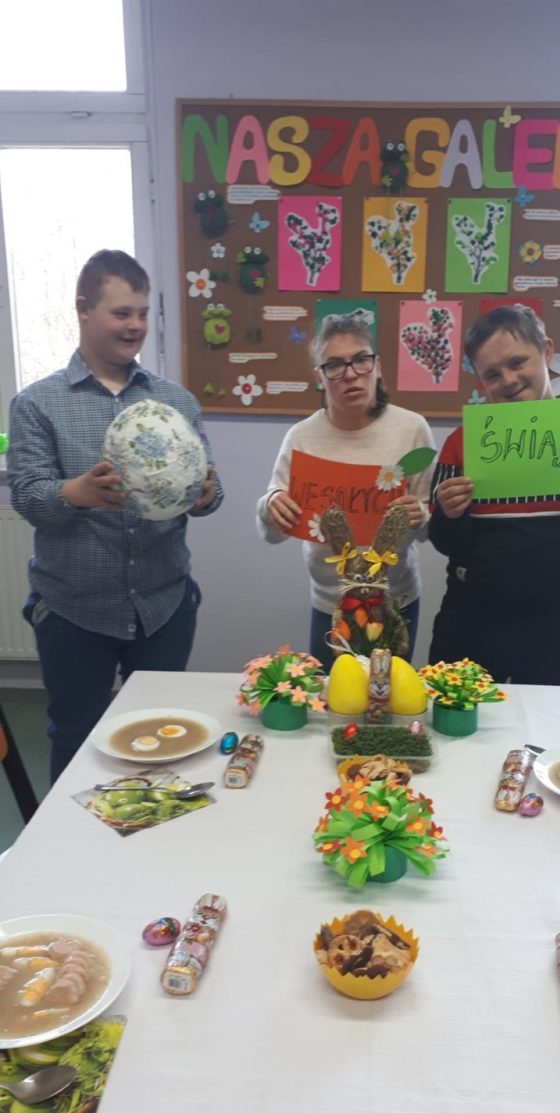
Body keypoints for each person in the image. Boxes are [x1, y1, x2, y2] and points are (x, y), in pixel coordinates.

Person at [8, 249, 223, 781]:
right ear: (83, 308)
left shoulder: (176, 401)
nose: (135, 326)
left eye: (143, 313)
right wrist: (76, 493)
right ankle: (71, 834)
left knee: (163, 735)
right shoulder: (37, 403)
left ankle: (151, 828)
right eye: (121, 313)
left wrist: (205, 494)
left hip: (163, 605)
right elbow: (28, 497)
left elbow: (211, 488)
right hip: (74, 611)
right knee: (77, 736)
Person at [428, 305, 560, 685]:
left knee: (556, 720)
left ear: (546, 351)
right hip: (472, 620)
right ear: (480, 379)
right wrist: (449, 514)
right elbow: (445, 543)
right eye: (492, 374)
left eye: (517, 362)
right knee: (459, 718)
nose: (508, 380)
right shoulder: (462, 444)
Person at [256, 313, 436, 671]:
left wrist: (422, 515)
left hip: (395, 603)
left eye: (360, 360)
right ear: (319, 377)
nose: (350, 374)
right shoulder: (301, 438)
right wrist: (270, 505)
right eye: (335, 365)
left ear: (377, 366)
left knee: (388, 696)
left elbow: (429, 530)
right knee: (331, 697)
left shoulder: (412, 430)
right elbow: (272, 534)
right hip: (330, 604)